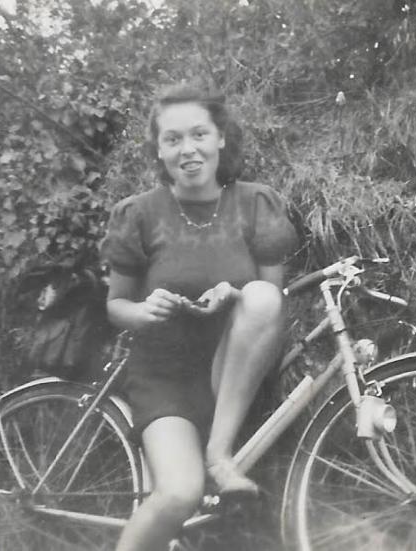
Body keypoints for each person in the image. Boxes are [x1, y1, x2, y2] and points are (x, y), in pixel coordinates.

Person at [100, 81, 298, 551]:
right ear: (159, 149)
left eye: (199, 134)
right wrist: (145, 311)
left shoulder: (254, 205)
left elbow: (271, 303)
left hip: (234, 375)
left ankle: (217, 454)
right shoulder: (141, 214)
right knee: (179, 494)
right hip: (164, 378)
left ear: (220, 138)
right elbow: (114, 307)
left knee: (262, 296)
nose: (188, 149)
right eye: (172, 139)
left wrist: (236, 292)